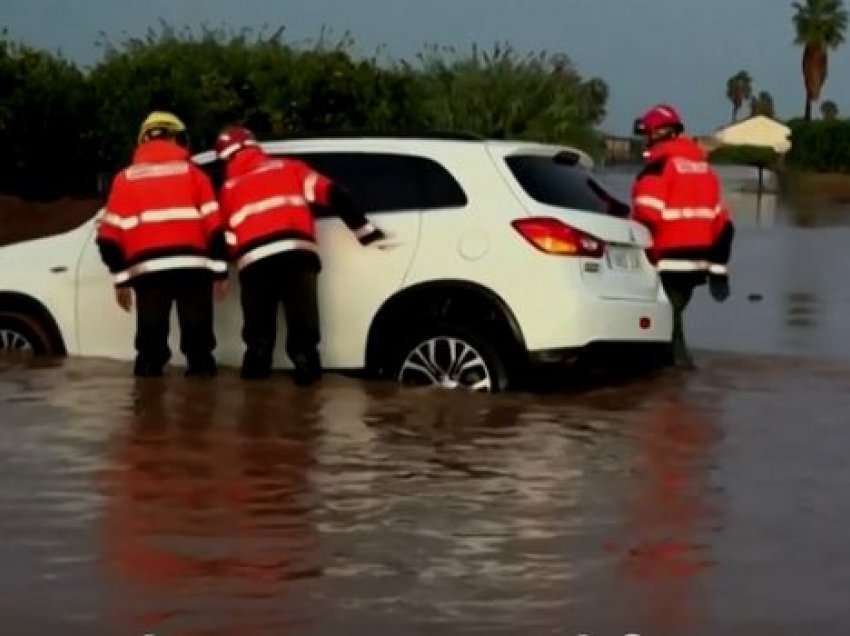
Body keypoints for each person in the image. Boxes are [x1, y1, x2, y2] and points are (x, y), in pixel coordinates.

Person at [214, 126, 386, 384]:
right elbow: (335, 194)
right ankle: (308, 389)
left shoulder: (229, 188)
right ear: (253, 146)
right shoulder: (289, 168)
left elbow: (224, 237)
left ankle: (253, 403)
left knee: (258, 339)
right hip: (297, 256)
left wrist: (221, 270)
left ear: (226, 158)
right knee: (303, 333)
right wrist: (365, 231)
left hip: (255, 263)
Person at [96, 111, 229, 377]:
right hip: (194, 271)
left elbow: (108, 240)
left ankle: (147, 410)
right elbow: (215, 230)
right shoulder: (195, 175)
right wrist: (220, 273)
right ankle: (203, 411)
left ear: (142, 140)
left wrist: (122, 281)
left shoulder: (125, 179)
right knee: (199, 349)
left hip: (148, 274)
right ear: (178, 138)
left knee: (150, 350)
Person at [631, 104, 735, 368]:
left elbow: (646, 216)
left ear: (657, 134)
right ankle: (678, 381)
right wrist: (718, 270)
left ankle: (678, 379)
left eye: (647, 134)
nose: (646, 139)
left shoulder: (659, 167)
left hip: (668, 260)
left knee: (667, 322)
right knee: (672, 318)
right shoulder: (705, 170)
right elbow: (723, 223)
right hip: (698, 262)